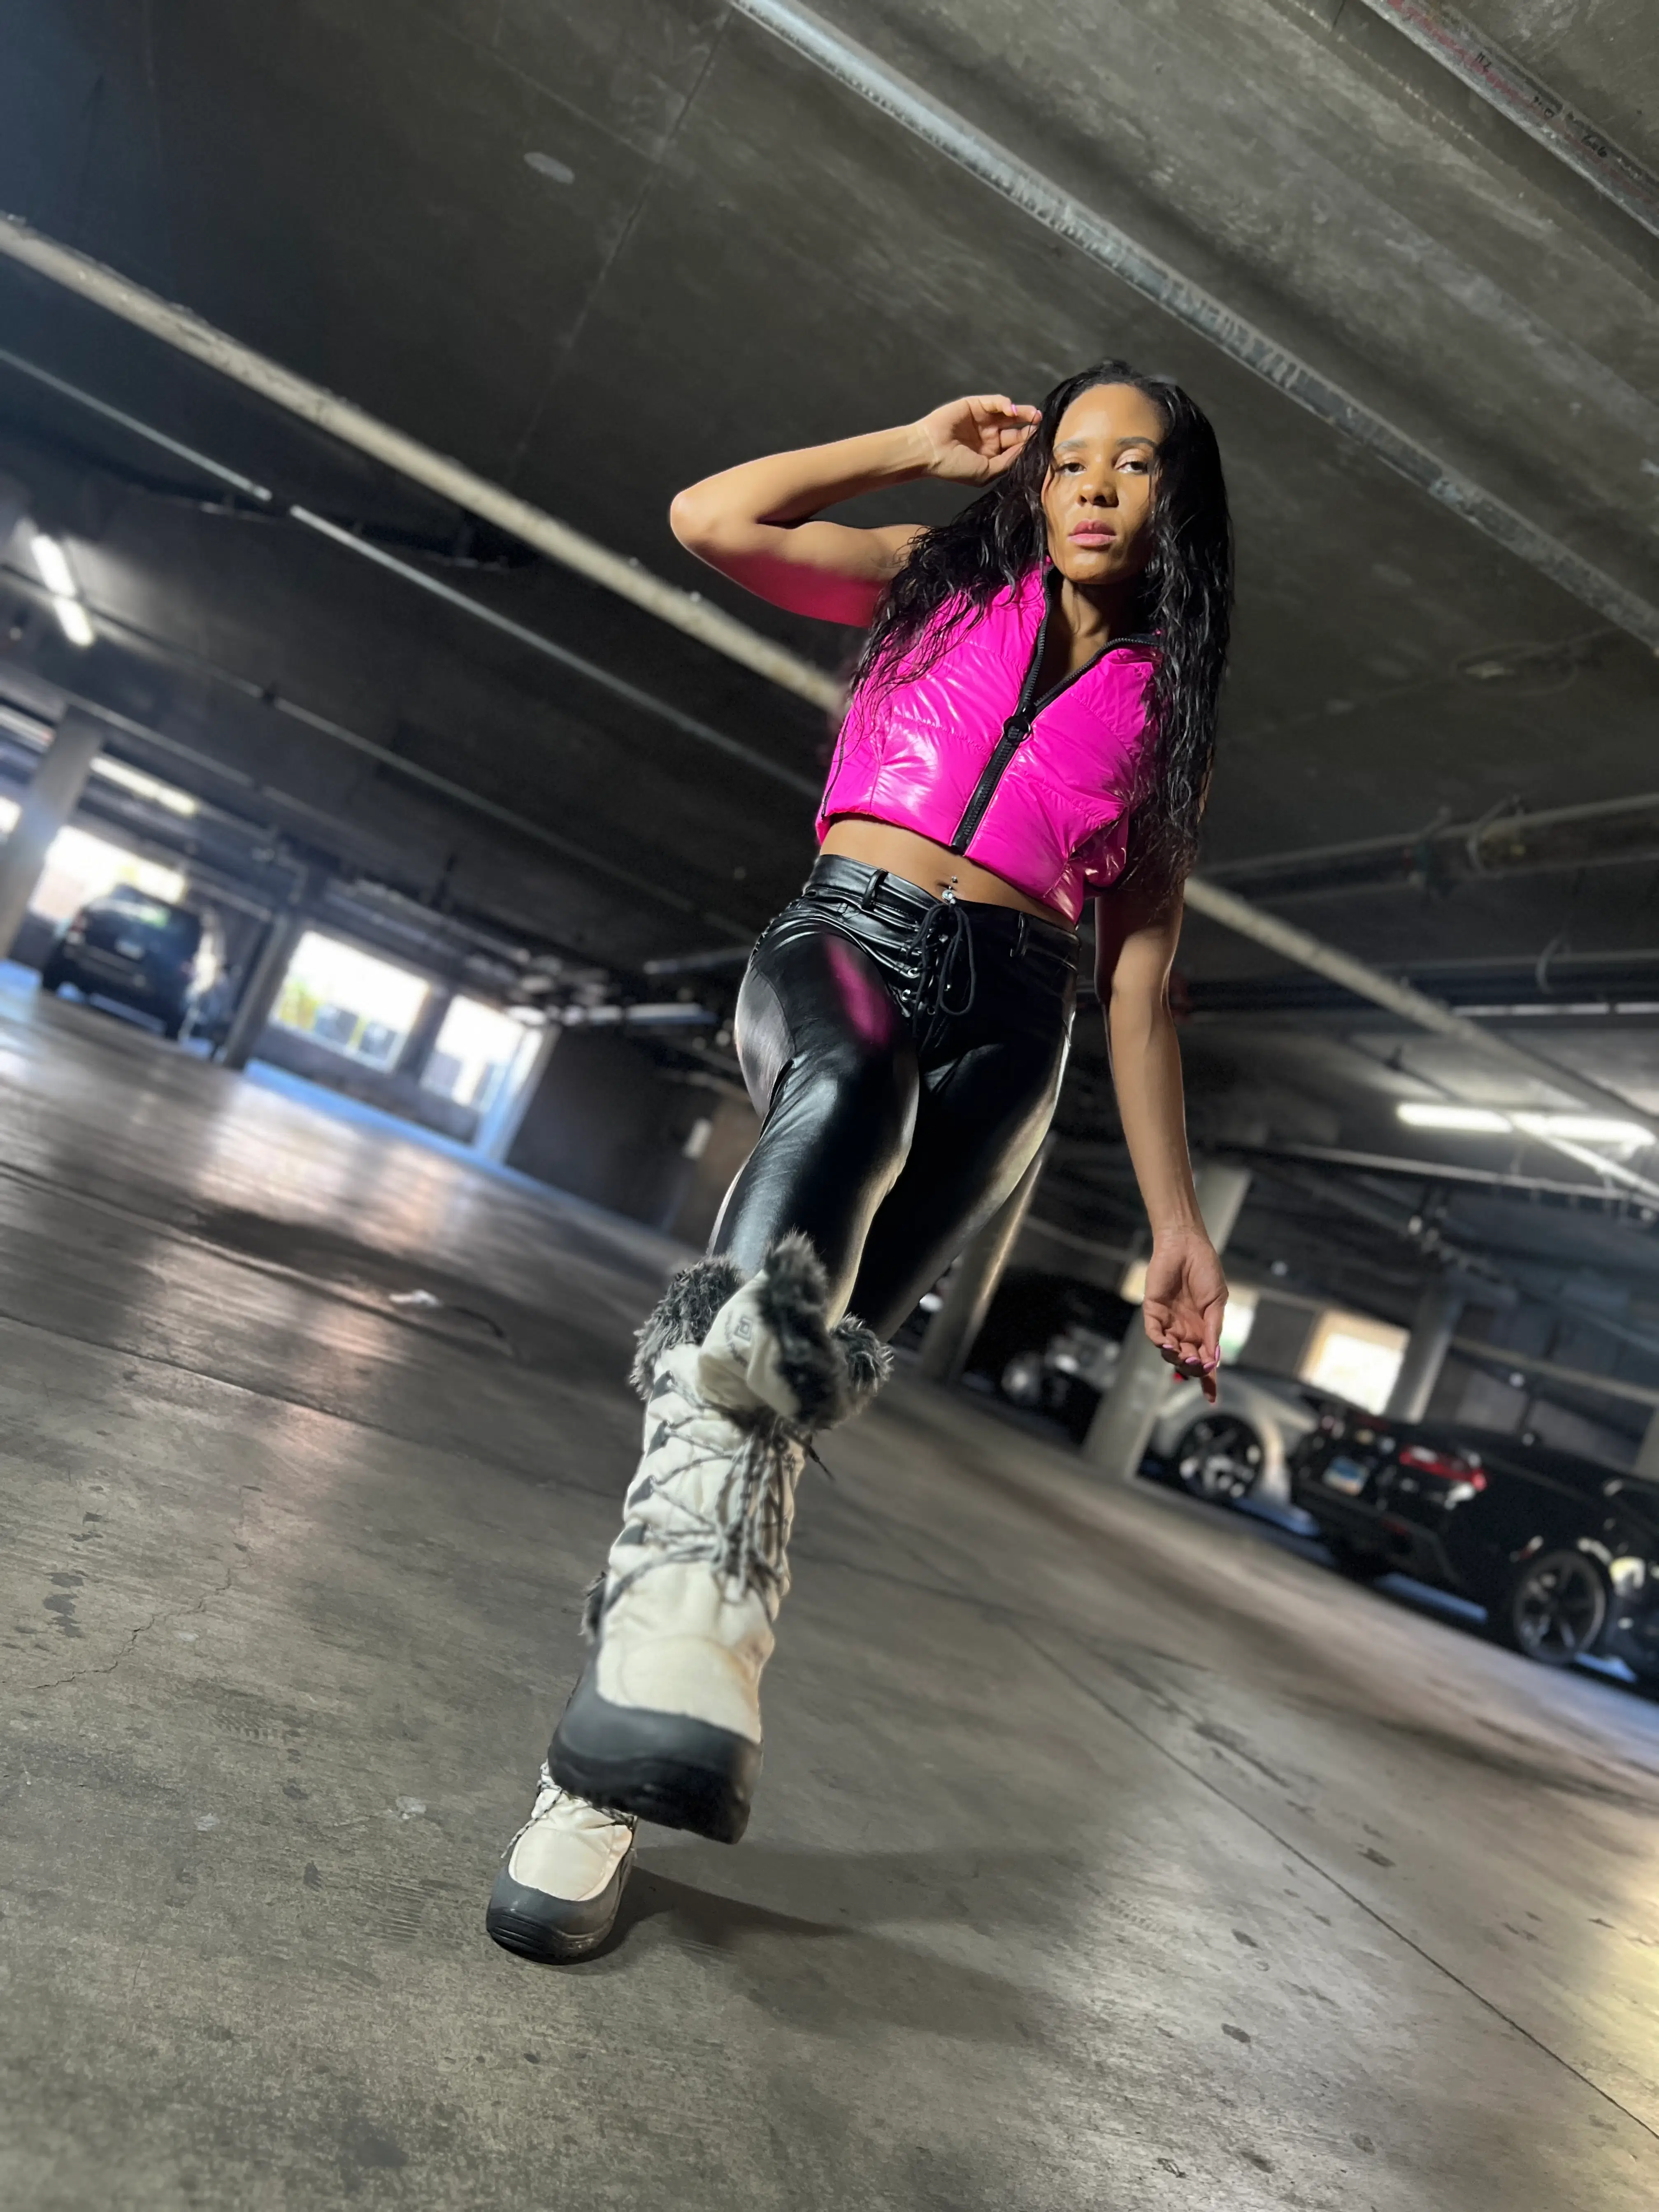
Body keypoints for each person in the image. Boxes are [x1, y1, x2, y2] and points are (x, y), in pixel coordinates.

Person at [486, 362, 1234, 1962]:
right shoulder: (931, 584)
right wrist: (906, 450)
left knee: (789, 1385)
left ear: (1181, 501)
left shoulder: (1169, 716)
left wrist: (1177, 1228)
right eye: (1074, 459)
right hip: (849, 942)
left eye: (1139, 467)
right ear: (1035, 482)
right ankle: (673, 1662)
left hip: (1017, 1026)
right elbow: (713, 518)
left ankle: (598, 1772)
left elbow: (1144, 986)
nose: (1099, 486)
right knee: (835, 1115)